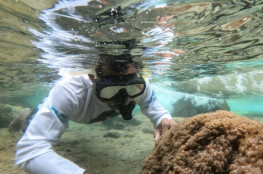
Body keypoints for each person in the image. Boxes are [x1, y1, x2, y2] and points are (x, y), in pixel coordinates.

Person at [10, 53, 177, 174]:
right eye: (111, 90)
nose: (122, 99)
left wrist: (164, 120)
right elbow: (29, 150)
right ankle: (26, 116)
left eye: (130, 87)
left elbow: (158, 112)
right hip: (69, 111)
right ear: (92, 78)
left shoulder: (143, 88)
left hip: (85, 116)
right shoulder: (70, 92)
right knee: (29, 126)